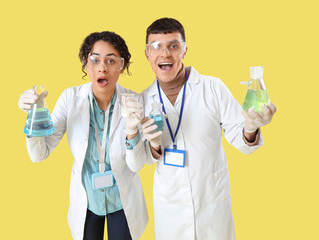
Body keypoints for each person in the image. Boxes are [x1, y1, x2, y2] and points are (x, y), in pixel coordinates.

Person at [124, 18, 277, 240]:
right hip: (170, 210)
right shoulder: (143, 100)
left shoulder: (213, 88)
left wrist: (250, 127)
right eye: (156, 46)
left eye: (173, 45)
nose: (165, 53)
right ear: (147, 53)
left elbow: (241, 139)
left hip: (212, 206)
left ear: (184, 50)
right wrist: (151, 144)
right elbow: (140, 161)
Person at [18, 31, 148, 240]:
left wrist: (133, 130)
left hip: (123, 200)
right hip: (87, 201)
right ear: (86, 65)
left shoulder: (134, 101)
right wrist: (32, 117)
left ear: (121, 66)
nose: (102, 67)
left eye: (111, 60)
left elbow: (136, 164)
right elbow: (39, 154)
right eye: (94, 60)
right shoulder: (70, 99)